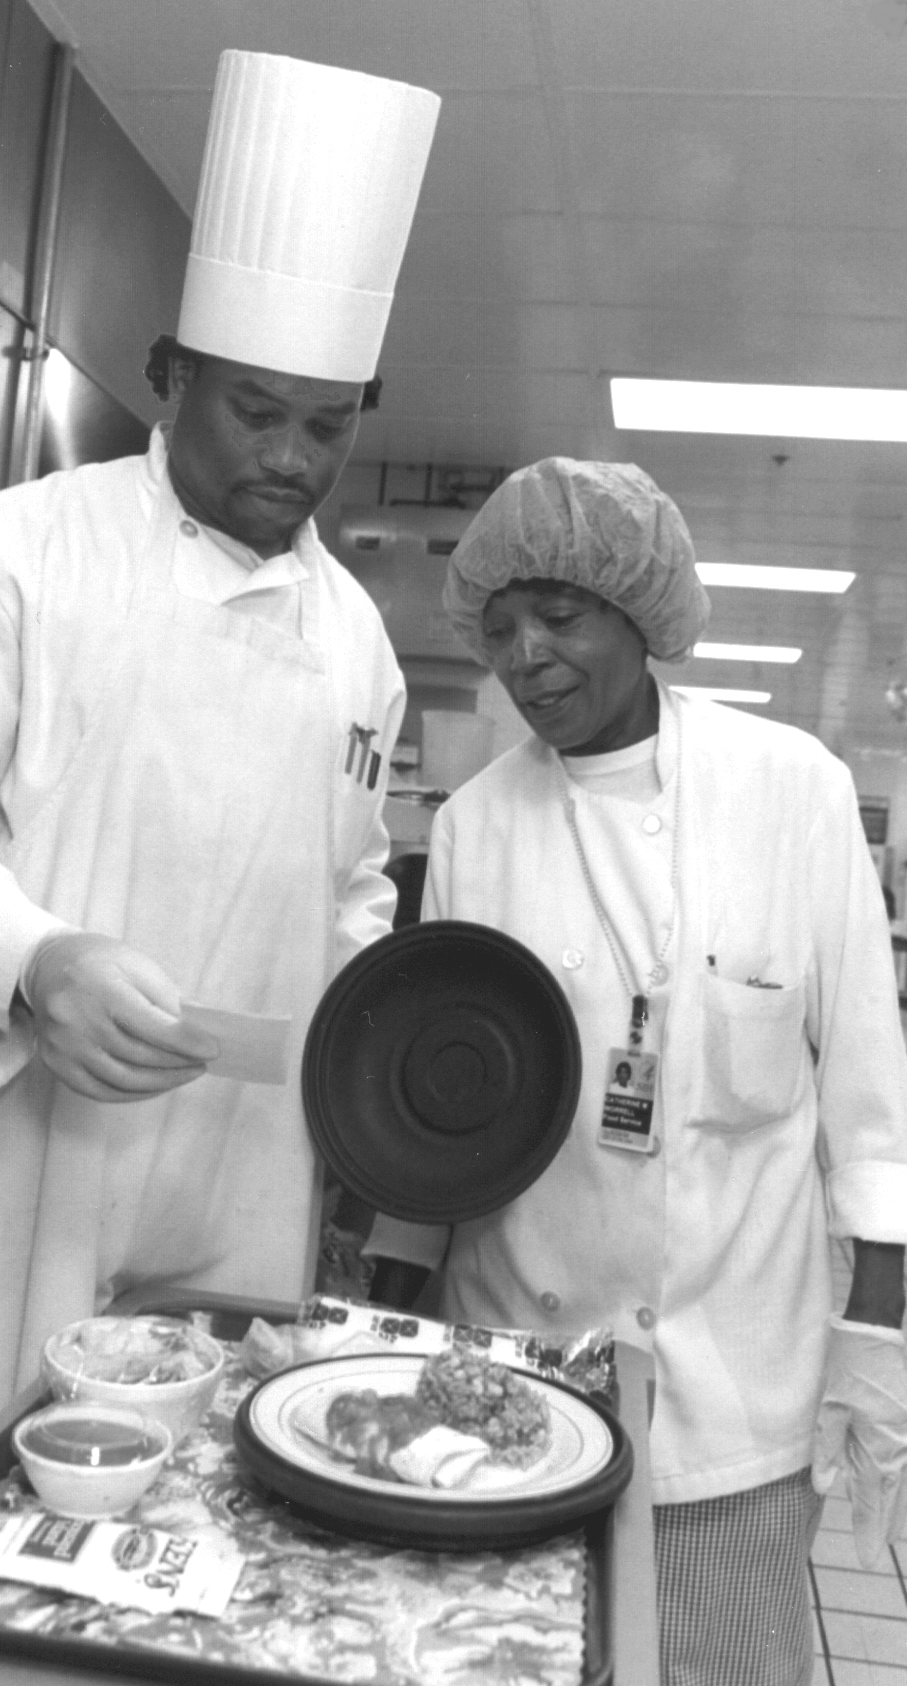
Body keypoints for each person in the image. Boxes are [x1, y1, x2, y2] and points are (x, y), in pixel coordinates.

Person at [0, 48, 439, 1540]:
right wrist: (32, 961)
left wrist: (349, 1082)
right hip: (4, 1166)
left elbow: (349, 885)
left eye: (329, 425)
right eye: (255, 410)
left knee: (170, 1549)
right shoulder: (12, 554)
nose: (291, 458)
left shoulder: (355, 637)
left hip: (234, 1182)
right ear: (170, 378)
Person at [366, 458, 907, 1686]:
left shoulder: (794, 796)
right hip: (517, 1371)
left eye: (560, 615)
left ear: (639, 611)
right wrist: (394, 1316)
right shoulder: (476, 824)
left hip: (736, 1393)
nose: (526, 656)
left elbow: (877, 1120)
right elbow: (435, 1112)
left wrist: (874, 1334)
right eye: (500, 627)